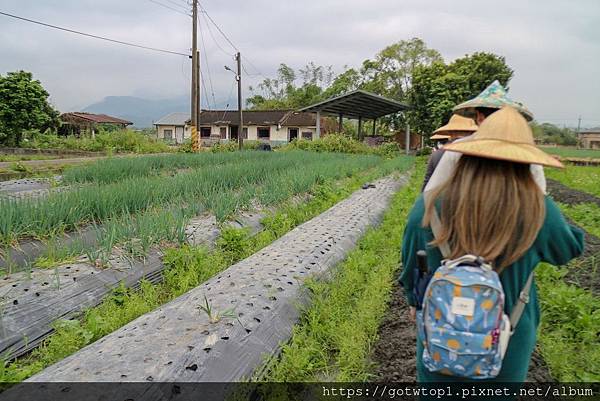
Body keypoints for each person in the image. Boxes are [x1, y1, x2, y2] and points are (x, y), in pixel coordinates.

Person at [400, 107, 584, 388]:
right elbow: (567, 248)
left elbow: (412, 254)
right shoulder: (537, 209)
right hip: (506, 338)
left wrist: (414, 300)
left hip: (441, 332)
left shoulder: (431, 201)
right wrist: (542, 196)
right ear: (527, 161)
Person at [422, 80, 545, 192]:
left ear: (479, 117)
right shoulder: (528, 156)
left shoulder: (457, 150)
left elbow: (430, 195)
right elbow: (540, 199)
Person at [422, 114, 478, 191]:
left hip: (442, 199)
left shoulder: (437, 154)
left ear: (450, 133)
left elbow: (427, 184)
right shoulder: (480, 153)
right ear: (471, 132)